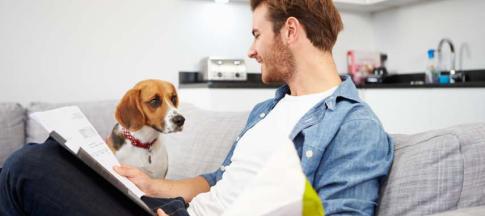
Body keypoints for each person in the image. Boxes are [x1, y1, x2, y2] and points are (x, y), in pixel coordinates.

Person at [0, 0, 394, 215]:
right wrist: (153, 186)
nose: (251, 50)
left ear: (290, 31)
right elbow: (218, 179)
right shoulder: (267, 110)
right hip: (172, 209)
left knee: (26, 169)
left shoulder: (354, 125)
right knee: (45, 155)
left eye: (257, 34)